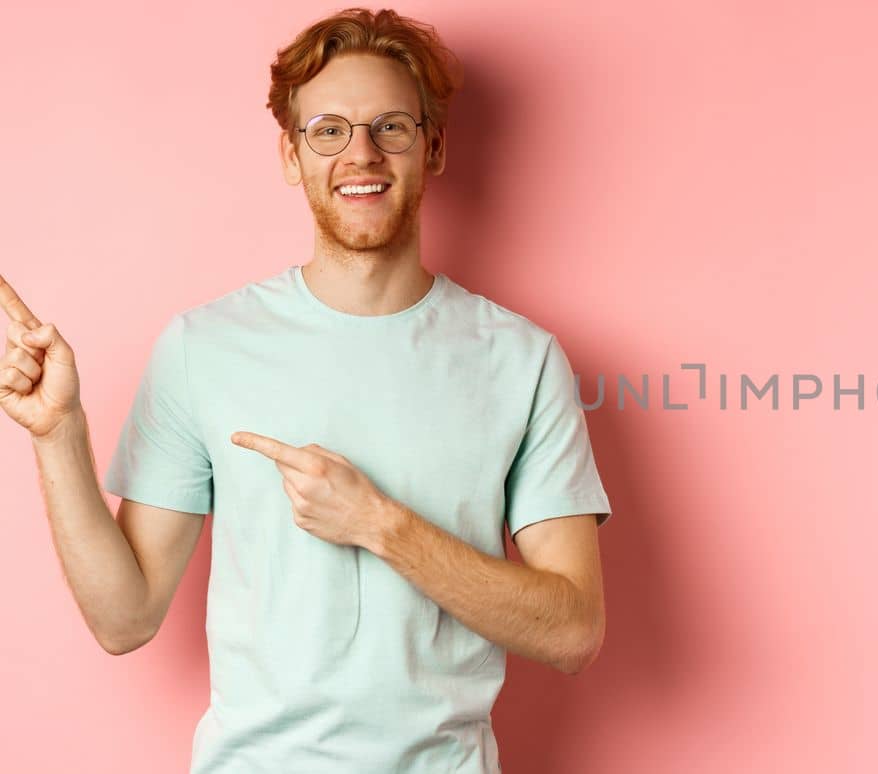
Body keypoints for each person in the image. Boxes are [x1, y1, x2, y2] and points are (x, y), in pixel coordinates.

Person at [1, 8, 612, 773]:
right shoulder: (204, 347)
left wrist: (379, 524)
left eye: (391, 126)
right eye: (328, 130)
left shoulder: (523, 361)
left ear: (435, 146)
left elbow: (573, 630)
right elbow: (124, 618)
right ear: (292, 155)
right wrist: (57, 432)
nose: (361, 153)